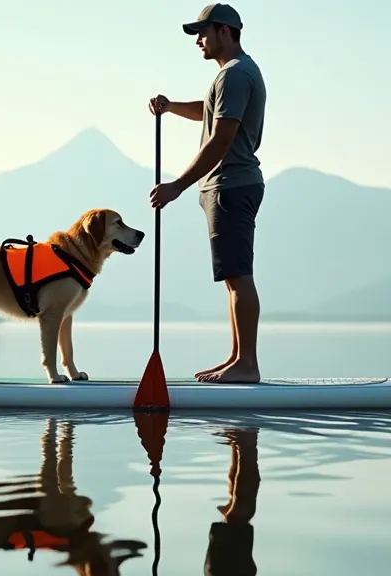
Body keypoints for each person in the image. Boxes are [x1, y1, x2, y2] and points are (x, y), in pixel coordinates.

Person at [148, 3, 267, 384]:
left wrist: (176, 187)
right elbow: (209, 112)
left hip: (231, 186)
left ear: (226, 32)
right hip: (229, 186)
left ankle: (247, 365)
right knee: (234, 278)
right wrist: (170, 108)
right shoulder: (233, 75)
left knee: (239, 277)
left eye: (203, 32)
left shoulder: (233, 75)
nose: (198, 40)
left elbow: (221, 138)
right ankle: (237, 359)